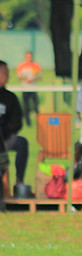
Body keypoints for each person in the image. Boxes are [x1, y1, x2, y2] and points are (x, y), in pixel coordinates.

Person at [0, 60, 28, 189]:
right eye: (4, 72)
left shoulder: (10, 98)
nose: (7, 76)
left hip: (5, 139)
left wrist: (4, 130)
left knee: (22, 142)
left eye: (7, 73)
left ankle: (19, 181)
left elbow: (17, 123)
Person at [16, 52, 42, 126]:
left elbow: (39, 76)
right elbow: (19, 77)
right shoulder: (21, 66)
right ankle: (28, 123)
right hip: (25, 89)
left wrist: (33, 79)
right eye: (27, 57)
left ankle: (39, 122)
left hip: (33, 88)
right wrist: (26, 79)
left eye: (30, 56)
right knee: (26, 107)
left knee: (36, 106)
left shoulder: (36, 66)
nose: (29, 58)